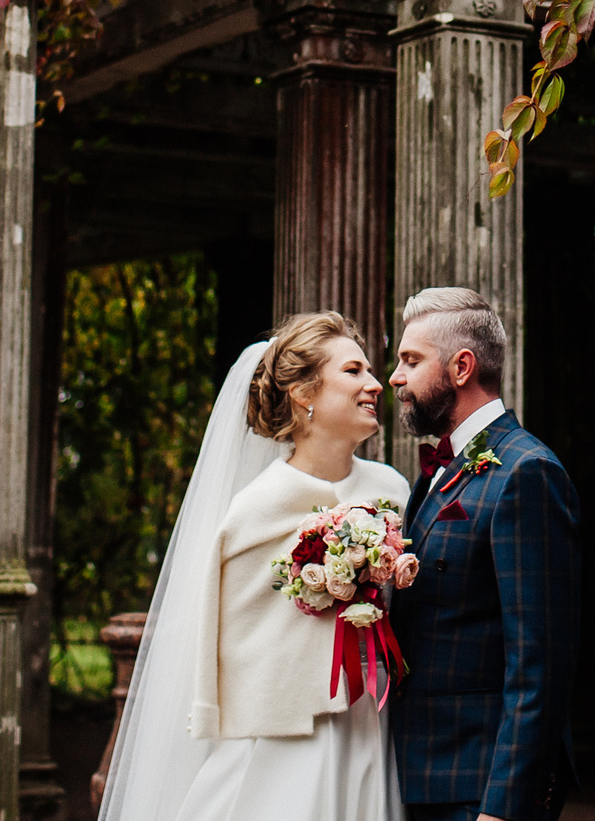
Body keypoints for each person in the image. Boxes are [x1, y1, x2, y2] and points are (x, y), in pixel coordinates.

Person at [97, 312, 416, 821]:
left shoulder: (393, 492)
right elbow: (229, 649)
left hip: (373, 730)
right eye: (353, 371)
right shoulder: (253, 513)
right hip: (283, 745)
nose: (376, 384)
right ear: (304, 394)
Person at [387, 287, 582, 821]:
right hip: (422, 775)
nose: (395, 378)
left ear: (461, 367)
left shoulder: (526, 472)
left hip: (480, 789)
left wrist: (502, 806)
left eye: (410, 360)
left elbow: (539, 662)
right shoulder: (438, 474)